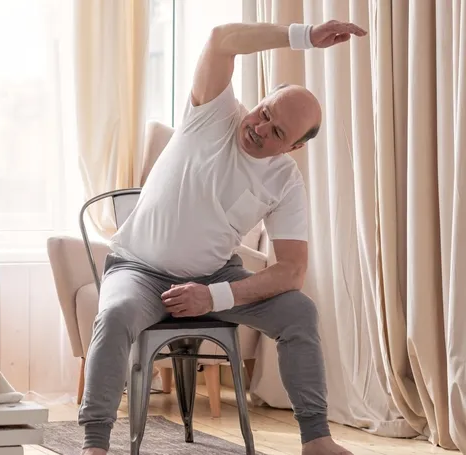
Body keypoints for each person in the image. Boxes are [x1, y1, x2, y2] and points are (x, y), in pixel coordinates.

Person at [78, 20, 368, 455]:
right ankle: (95, 445)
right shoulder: (213, 113)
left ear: (293, 148)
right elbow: (221, 39)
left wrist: (213, 297)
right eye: (264, 113)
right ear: (262, 101)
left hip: (213, 276)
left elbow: (292, 270)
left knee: (299, 312)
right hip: (138, 268)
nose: (259, 129)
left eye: (277, 133)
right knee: (116, 313)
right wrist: (304, 36)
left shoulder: (285, 181)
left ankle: (317, 440)